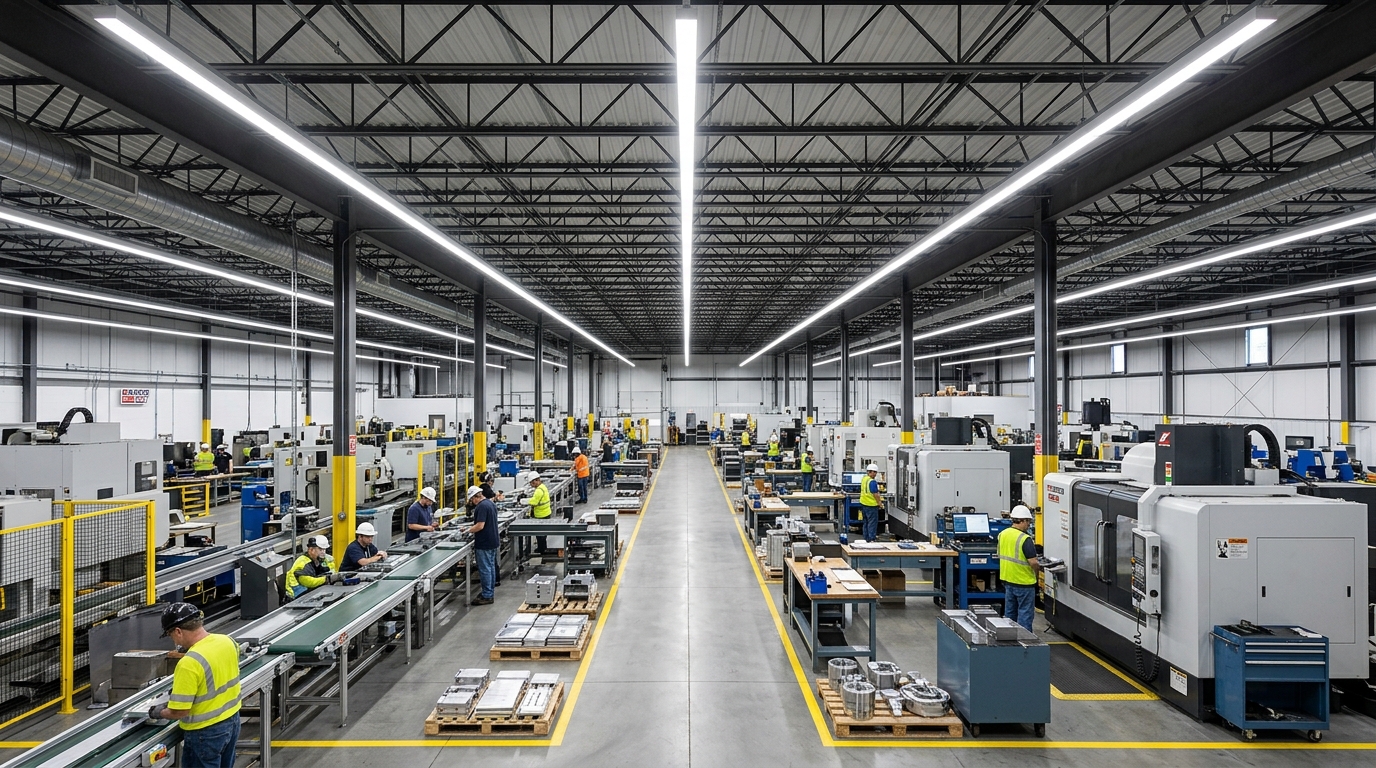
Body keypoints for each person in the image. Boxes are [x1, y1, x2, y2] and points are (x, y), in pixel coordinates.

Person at [154, 602, 241, 768]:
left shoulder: (189, 662)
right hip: (232, 722)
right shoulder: (227, 641)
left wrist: (159, 712)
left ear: (178, 631)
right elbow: (218, 676)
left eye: (170, 634)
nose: (173, 640)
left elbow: (180, 711)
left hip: (205, 733)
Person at [999, 505, 1042, 633]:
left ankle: (1009, 643)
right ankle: (1025, 645)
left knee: (1009, 616)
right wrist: (1037, 575)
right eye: (1028, 521)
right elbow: (1033, 562)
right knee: (1025, 616)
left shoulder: (1003, 534)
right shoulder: (1025, 539)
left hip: (1008, 580)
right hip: (1024, 583)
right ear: (1022, 520)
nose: (1029, 525)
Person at [464, 485, 499, 606]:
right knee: (490, 567)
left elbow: (480, 526)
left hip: (484, 542)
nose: (472, 502)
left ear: (475, 497)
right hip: (493, 540)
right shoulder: (490, 503)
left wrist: (467, 531)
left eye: (471, 499)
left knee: (485, 569)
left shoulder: (482, 506)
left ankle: (487, 595)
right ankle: (489, 591)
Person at [524, 471, 552, 553]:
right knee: (543, 534)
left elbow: (534, 502)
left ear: (535, 481)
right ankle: (543, 548)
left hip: (541, 515)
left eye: (531, 483)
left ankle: (541, 550)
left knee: (540, 534)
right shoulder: (543, 487)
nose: (531, 485)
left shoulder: (539, 490)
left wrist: (523, 501)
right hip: (546, 513)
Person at [858, 463, 883, 542]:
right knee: (872, 523)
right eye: (874, 472)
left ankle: (866, 538)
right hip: (871, 505)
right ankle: (871, 539)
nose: (875, 474)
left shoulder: (864, 479)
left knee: (866, 522)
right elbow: (875, 494)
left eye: (876, 472)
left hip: (863, 504)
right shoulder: (872, 482)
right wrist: (880, 504)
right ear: (870, 472)